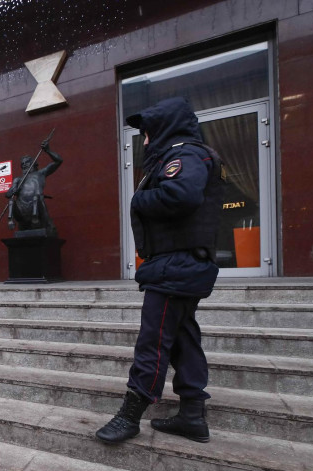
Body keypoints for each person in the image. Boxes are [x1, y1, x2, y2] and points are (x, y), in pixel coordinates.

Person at [96, 97, 226, 444]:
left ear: (165, 128)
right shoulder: (186, 154)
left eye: (148, 133)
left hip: (176, 266)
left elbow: (182, 195)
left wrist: (139, 200)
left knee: (153, 341)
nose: (146, 140)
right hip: (180, 266)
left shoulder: (183, 156)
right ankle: (192, 415)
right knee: (184, 339)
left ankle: (131, 414)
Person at [5, 138, 62, 234]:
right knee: (11, 201)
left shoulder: (41, 173)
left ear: (34, 164)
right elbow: (8, 194)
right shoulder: (18, 179)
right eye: (22, 164)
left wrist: (48, 150)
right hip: (22, 209)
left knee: (37, 197)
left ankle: (36, 216)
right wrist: (13, 190)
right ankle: (10, 219)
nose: (23, 165)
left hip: (37, 205)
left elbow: (58, 161)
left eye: (26, 163)